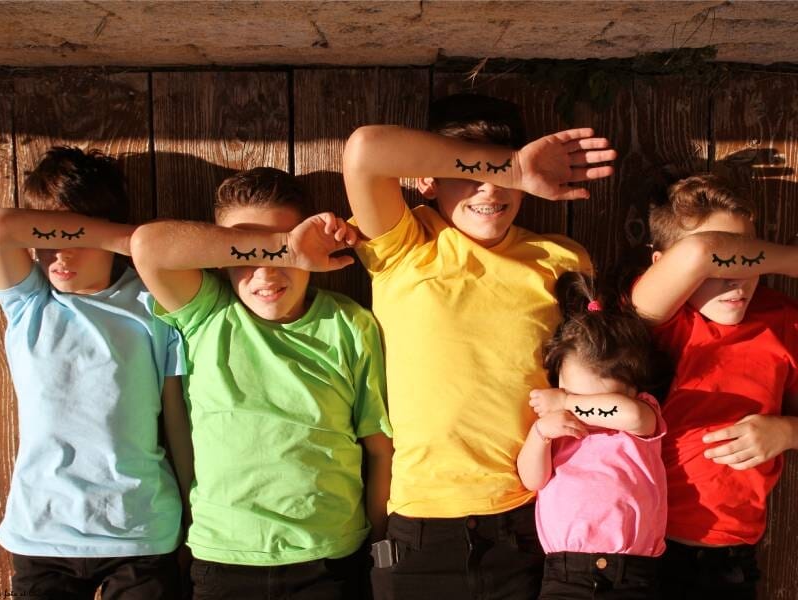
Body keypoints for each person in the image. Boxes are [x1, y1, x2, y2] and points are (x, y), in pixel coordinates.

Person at [342, 93, 615, 599]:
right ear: (427, 180)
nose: (491, 187)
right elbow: (365, 150)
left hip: (526, 518)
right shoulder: (404, 245)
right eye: (471, 171)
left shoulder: (560, 258)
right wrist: (516, 167)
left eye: (504, 173)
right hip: (420, 525)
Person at [130, 166, 393, 600]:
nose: (267, 273)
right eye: (247, 251)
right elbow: (148, 245)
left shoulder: (347, 323)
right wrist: (287, 247)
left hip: (330, 556)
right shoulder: (207, 315)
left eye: (283, 253)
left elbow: (379, 449)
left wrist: (377, 548)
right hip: (225, 556)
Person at [0, 146, 192, 599]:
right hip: (42, 532)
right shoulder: (28, 304)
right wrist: (124, 238)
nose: (60, 254)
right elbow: (1, 225)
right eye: (49, 235)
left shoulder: (152, 305)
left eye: (76, 235)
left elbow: (176, 419)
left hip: (140, 529)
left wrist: (193, 511)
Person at [631, 173, 798, 599]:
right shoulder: (659, 317)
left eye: (750, 262)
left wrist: (787, 432)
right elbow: (698, 252)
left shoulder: (783, 322)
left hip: (724, 560)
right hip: (631, 550)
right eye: (726, 263)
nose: (737, 281)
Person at [517, 271, 667, 599]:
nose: (582, 410)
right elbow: (532, 479)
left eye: (594, 400)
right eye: (571, 393)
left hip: (631, 574)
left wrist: (569, 402)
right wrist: (540, 434)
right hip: (565, 573)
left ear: (632, 390)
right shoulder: (557, 427)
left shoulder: (640, 417)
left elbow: (629, 414)